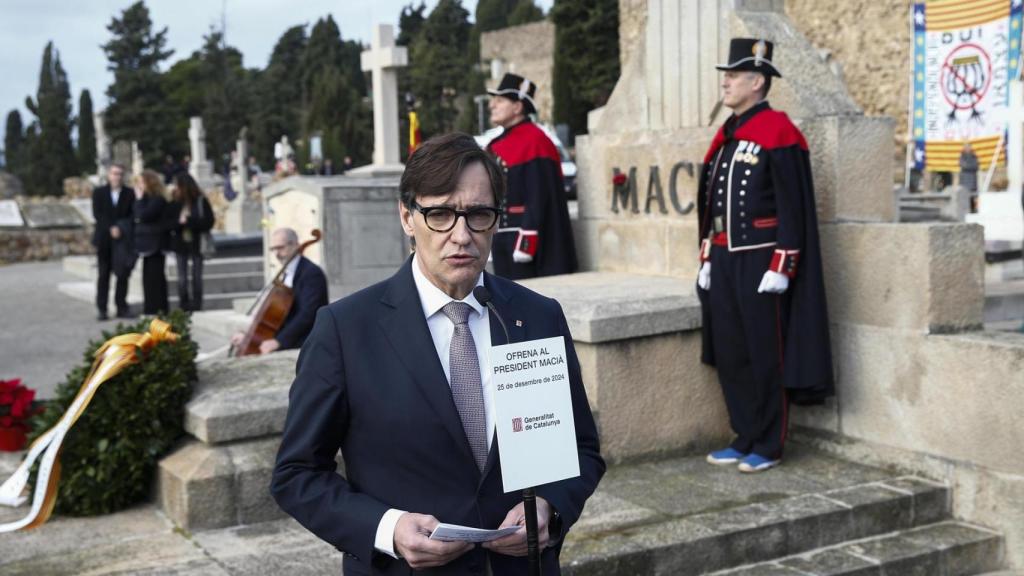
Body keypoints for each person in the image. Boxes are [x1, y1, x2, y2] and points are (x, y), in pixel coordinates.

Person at [270, 133, 604, 575]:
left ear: (497, 220)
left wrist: (549, 507)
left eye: (478, 215)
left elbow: (580, 449)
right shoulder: (346, 330)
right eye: (440, 214)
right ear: (407, 217)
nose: (461, 235)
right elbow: (297, 474)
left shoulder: (536, 316)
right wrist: (387, 529)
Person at [696, 38, 834, 473]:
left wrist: (783, 263)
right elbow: (711, 206)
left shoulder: (779, 132)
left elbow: (793, 205)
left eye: (734, 75)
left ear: (757, 82)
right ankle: (744, 434)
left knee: (764, 353)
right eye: (726, 74)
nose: (726, 81)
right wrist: (704, 257)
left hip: (761, 261)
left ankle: (769, 443)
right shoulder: (726, 136)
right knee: (732, 352)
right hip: (722, 259)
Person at [487, 73, 578, 280]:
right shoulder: (495, 143)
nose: (492, 105)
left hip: (527, 240)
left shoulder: (535, 141)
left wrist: (527, 239)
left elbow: (539, 196)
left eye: (500, 100)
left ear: (518, 107)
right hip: (500, 236)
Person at [230, 228, 328, 354]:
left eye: (280, 248)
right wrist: (249, 337)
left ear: (295, 245)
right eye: (273, 249)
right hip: (286, 337)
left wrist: (280, 341)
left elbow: (308, 314)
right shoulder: (286, 273)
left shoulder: (311, 273)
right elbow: (277, 318)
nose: (276, 254)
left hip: (306, 339)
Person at [91, 164, 135, 320]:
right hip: (104, 239)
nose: (117, 177)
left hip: (122, 241)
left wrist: (120, 228)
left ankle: (121, 306)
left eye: (120, 174)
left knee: (122, 275)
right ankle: (102, 309)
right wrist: (111, 227)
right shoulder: (99, 192)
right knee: (103, 275)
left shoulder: (129, 193)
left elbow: (132, 215)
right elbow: (98, 214)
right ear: (109, 175)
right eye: (114, 174)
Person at [168, 172, 215, 311]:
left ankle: (196, 303)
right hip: (180, 243)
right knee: (182, 276)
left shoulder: (200, 201)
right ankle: (184, 303)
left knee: (197, 275)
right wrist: (179, 222)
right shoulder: (174, 202)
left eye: (177, 185)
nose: (175, 188)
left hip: (197, 242)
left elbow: (208, 221)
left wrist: (189, 221)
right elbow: (168, 223)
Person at [132, 169, 170, 315]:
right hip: (147, 244)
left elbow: (143, 215)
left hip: (156, 244)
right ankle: (151, 308)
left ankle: (158, 309)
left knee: (155, 279)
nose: (139, 186)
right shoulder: (148, 199)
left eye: (141, 182)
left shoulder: (157, 199)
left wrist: (139, 200)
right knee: (148, 279)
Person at [959, 141, 979, 213]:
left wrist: (968, 166)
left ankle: (973, 209)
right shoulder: (962, 156)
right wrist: (968, 166)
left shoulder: (974, 156)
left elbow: (975, 166)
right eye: (966, 147)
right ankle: (965, 209)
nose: (967, 148)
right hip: (964, 178)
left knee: (973, 195)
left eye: (968, 147)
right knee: (964, 195)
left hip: (972, 178)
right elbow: (962, 165)